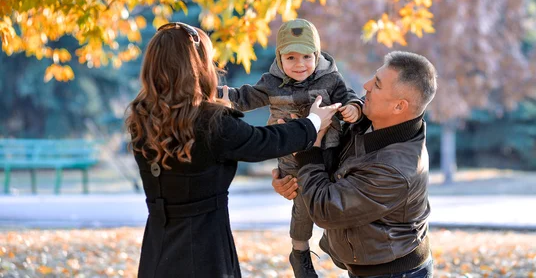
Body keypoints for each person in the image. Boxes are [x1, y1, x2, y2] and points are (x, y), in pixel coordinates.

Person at [125, 22, 340, 278]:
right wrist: (314, 121)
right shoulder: (208, 121)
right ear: (197, 65)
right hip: (205, 248)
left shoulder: (143, 116)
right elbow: (264, 141)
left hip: (158, 246)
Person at [272, 51, 437, 278]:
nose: (366, 85)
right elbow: (336, 171)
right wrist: (292, 178)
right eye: (373, 77)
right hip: (365, 267)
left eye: (377, 85)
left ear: (399, 106)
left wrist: (307, 155)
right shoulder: (370, 122)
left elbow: (326, 209)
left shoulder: (396, 170)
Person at [219, 19, 363, 278]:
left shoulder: (330, 79)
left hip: (330, 152)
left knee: (336, 198)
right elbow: (245, 97)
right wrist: (220, 94)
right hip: (291, 157)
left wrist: (353, 108)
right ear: (280, 58)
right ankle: (299, 253)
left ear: (317, 55)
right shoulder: (272, 83)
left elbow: (349, 96)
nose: (300, 65)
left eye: (307, 56)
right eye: (291, 57)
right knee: (304, 204)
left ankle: (333, 238)